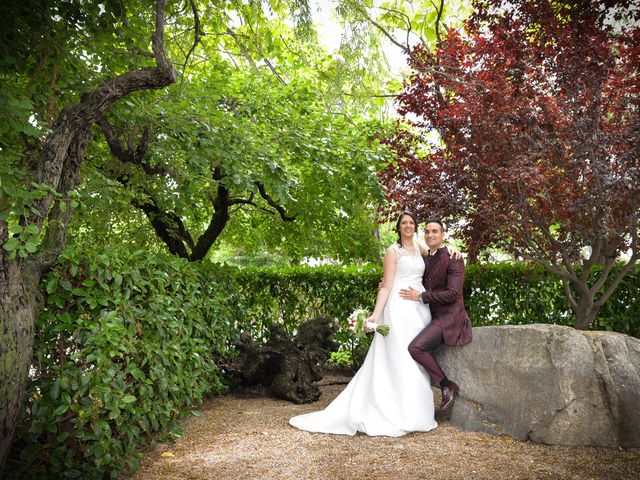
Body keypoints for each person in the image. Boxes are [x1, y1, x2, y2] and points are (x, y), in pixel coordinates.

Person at [289, 211, 460, 437]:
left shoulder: (421, 248)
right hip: (399, 308)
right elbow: (386, 286)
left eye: (411, 223)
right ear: (398, 227)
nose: (408, 226)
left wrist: (457, 250)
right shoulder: (392, 251)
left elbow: (442, 254)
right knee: (399, 357)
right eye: (404, 223)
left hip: (420, 309)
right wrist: (375, 315)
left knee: (416, 359)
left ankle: (417, 411)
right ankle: (393, 412)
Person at [399, 218, 472, 413]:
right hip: (429, 315)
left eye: (435, 231)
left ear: (442, 235)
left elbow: (453, 293)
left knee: (416, 347)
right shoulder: (426, 259)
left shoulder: (453, 257)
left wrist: (422, 296)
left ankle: (447, 385)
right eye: (428, 232)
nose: (431, 235)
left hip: (450, 317)